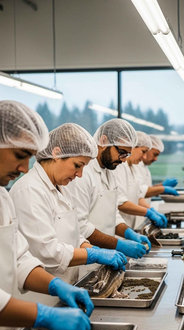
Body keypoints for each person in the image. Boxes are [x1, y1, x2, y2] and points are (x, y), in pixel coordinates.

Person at [0, 100, 92, 330]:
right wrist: (44, 314)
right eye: (20, 155)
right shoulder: (24, 190)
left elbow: (20, 258)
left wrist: (55, 285)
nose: (24, 168)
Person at [10, 123, 127, 292]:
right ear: (57, 153)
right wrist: (92, 255)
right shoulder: (29, 190)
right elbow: (47, 252)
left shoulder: (61, 187)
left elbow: (73, 234)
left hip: (67, 284)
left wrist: (92, 248)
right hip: (42, 294)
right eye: (77, 165)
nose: (79, 175)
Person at [67, 119, 152, 259]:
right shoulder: (83, 173)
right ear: (103, 140)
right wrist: (119, 244)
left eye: (127, 155)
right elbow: (80, 226)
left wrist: (129, 233)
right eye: (122, 152)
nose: (124, 160)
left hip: (108, 256)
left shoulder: (109, 171)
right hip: (88, 258)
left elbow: (113, 214)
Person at [116, 131, 175, 228]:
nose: (144, 156)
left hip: (130, 224)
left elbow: (138, 195)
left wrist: (151, 210)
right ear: (132, 147)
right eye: (143, 152)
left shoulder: (133, 167)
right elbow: (121, 202)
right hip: (120, 227)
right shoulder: (120, 167)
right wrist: (148, 212)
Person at [135, 134, 179, 205]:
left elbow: (146, 189)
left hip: (141, 212)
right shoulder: (136, 165)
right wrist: (163, 188)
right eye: (155, 154)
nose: (156, 159)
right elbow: (140, 192)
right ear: (147, 149)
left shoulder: (144, 167)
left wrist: (161, 185)